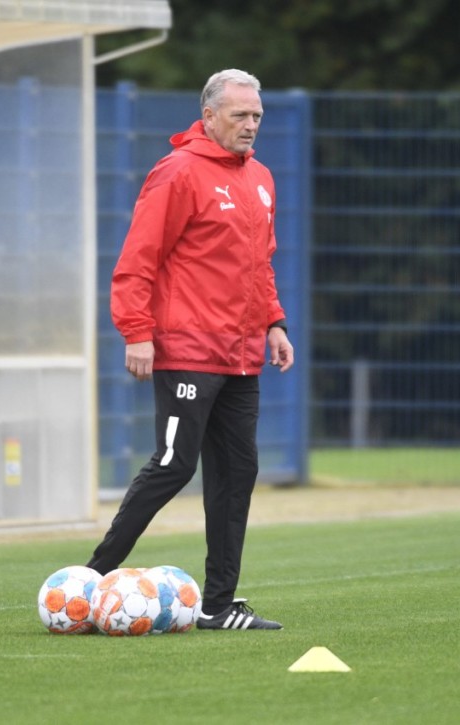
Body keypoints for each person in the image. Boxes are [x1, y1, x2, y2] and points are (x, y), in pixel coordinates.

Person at [86, 69, 294, 631]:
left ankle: (220, 606)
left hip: (243, 355)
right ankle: (89, 581)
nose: (251, 125)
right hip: (187, 353)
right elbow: (139, 257)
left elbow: (259, 264)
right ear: (209, 117)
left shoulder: (261, 179)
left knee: (238, 472)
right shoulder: (177, 173)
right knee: (174, 466)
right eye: (240, 116)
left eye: (256, 116)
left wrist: (274, 321)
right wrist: (136, 330)